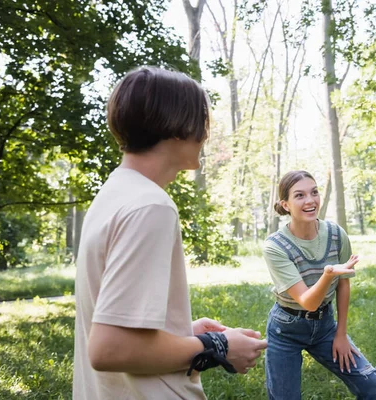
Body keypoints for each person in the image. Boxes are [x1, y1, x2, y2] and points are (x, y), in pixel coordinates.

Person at [73, 67, 267, 400]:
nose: (206, 134)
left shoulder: (115, 194)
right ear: (177, 126)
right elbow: (110, 349)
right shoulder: (151, 206)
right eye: (203, 122)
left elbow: (115, 326)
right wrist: (216, 346)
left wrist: (180, 335)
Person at [262, 170, 376, 400]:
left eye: (314, 192)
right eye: (299, 195)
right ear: (285, 204)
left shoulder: (337, 235)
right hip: (285, 329)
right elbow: (307, 302)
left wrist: (341, 334)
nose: (310, 201)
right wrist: (328, 273)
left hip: (326, 326)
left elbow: (344, 285)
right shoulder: (275, 246)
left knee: (372, 387)